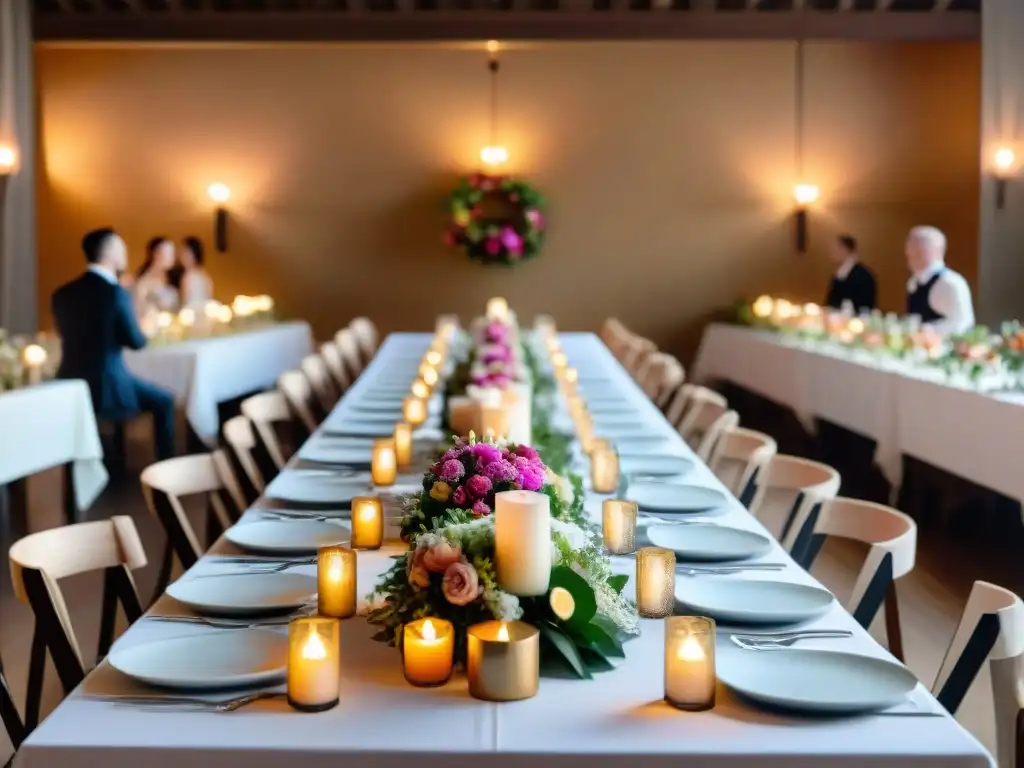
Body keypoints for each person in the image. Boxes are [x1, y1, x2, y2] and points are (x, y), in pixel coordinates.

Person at [52, 228, 177, 460]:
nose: (126, 252)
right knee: (165, 401)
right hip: (109, 384)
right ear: (110, 253)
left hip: (70, 380)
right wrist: (146, 327)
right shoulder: (115, 293)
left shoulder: (62, 293)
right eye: (122, 247)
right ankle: (167, 470)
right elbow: (136, 342)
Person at [904, 225, 975, 335]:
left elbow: (963, 325)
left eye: (915, 247)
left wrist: (927, 331)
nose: (908, 252)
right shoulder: (913, 282)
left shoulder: (950, 283)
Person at [824, 234, 876, 314]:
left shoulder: (863, 276)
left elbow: (865, 308)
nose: (832, 252)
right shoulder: (838, 275)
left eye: (836, 248)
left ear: (845, 250)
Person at [133, 236, 179, 318]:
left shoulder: (170, 278)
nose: (172, 257)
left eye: (173, 253)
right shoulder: (144, 282)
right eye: (168, 253)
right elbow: (138, 311)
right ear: (156, 254)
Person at [178, 236, 213, 308]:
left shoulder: (189, 276)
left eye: (185, 252)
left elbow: (184, 302)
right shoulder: (203, 274)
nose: (181, 256)